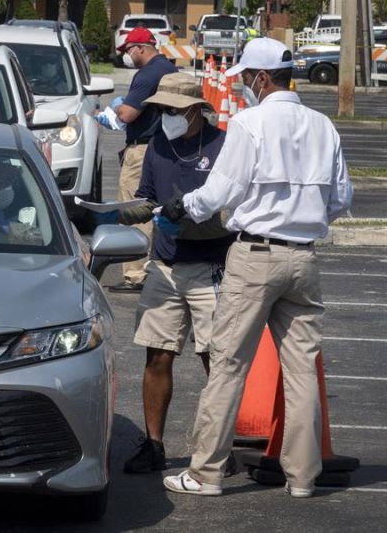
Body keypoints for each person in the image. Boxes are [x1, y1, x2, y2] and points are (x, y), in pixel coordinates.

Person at [160, 37, 353, 498]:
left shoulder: (250, 122)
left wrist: (183, 206)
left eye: (246, 77)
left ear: (262, 78)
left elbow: (220, 191)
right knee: (302, 370)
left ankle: (206, 472)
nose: (244, 85)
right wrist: (305, 220)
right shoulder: (324, 126)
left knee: (228, 363)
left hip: (256, 256)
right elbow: (341, 198)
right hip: (303, 256)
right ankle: (303, 477)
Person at [116, 73, 237, 475]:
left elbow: (231, 215)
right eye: (161, 109)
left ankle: (221, 447)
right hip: (164, 267)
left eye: (171, 110)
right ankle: (153, 444)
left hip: (211, 267)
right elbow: (148, 199)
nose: (165, 116)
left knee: (214, 359)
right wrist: (112, 213)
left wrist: (185, 223)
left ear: (192, 111)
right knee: (157, 355)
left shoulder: (223, 147)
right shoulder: (157, 146)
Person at [109, 27, 177, 292]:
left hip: (142, 150)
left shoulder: (147, 74)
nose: (126, 55)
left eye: (127, 50)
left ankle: (136, 274)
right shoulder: (170, 70)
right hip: (166, 148)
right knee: (159, 208)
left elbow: (127, 114)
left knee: (133, 208)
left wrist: (116, 105)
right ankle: (158, 266)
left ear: (140, 48)